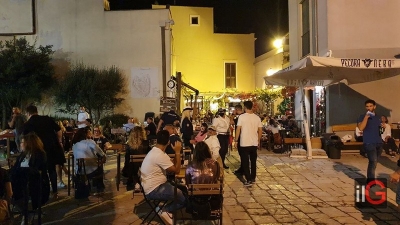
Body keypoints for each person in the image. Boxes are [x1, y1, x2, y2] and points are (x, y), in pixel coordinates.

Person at [140, 130, 184, 225]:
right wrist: (177, 152)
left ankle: (165, 211)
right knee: (182, 197)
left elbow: (171, 165)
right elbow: (177, 170)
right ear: (168, 141)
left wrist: (176, 154)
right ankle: (164, 210)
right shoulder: (159, 155)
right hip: (154, 189)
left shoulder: (157, 151)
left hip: (154, 186)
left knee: (183, 189)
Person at [22, 105, 64, 199]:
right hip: (51, 147)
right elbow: (59, 130)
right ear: (36, 111)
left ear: (28, 113)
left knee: (42, 172)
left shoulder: (28, 124)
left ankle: (44, 193)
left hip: (38, 150)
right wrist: (60, 141)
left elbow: (25, 139)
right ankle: (55, 192)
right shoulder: (47, 119)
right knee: (52, 169)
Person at [10, 132, 50, 215]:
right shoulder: (22, 155)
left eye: (22, 142)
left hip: (34, 182)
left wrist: (21, 170)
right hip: (21, 180)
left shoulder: (40, 155)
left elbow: (36, 171)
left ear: (29, 143)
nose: (20, 144)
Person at [234, 101, 262, 187]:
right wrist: (258, 140)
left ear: (245, 107)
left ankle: (248, 179)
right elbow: (260, 130)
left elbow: (238, 129)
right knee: (253, 161)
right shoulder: (257, 118)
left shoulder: (242, 117)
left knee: (245, 162)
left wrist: (236, 140)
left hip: (244, 142)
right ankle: (253, 178)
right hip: (254, 143)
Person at [72, 128, 107, 194]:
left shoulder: (75, 145)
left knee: (95, 165)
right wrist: (102, 159)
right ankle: (99, 188)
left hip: (79, 171)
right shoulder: (89, 142)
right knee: (99, 167)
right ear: (86, 134)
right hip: (91, 171)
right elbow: (101, 153)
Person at [357, 99, 383, 183]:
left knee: (374, 162)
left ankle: (371, 178)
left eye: (370, 106)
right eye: (367, 106)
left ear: (374, 107)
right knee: (373, 161)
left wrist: (383, 126)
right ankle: (371, 181)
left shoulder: (378, 117)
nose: (369, 108)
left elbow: (380, 129)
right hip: (369, 142)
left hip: (378, 142)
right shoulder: (362, 116)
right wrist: (366, 117)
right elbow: (361, 128)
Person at [122, 126, 150, 191]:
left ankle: (136, 183)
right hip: (144, 166)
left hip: (132, 169)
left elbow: (127, 159)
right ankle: (139, 182)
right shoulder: (147, 143)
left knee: (131, 165)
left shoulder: (129, 145)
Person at [231, 105, 244, 175]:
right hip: (244, 137)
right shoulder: (243, 116)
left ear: (236, 109)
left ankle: (243, 168)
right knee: (242, 154)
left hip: (240, 137)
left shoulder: (240, 117)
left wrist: (233, 114)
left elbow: (231, 122)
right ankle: (243, 167)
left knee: (242, 153)